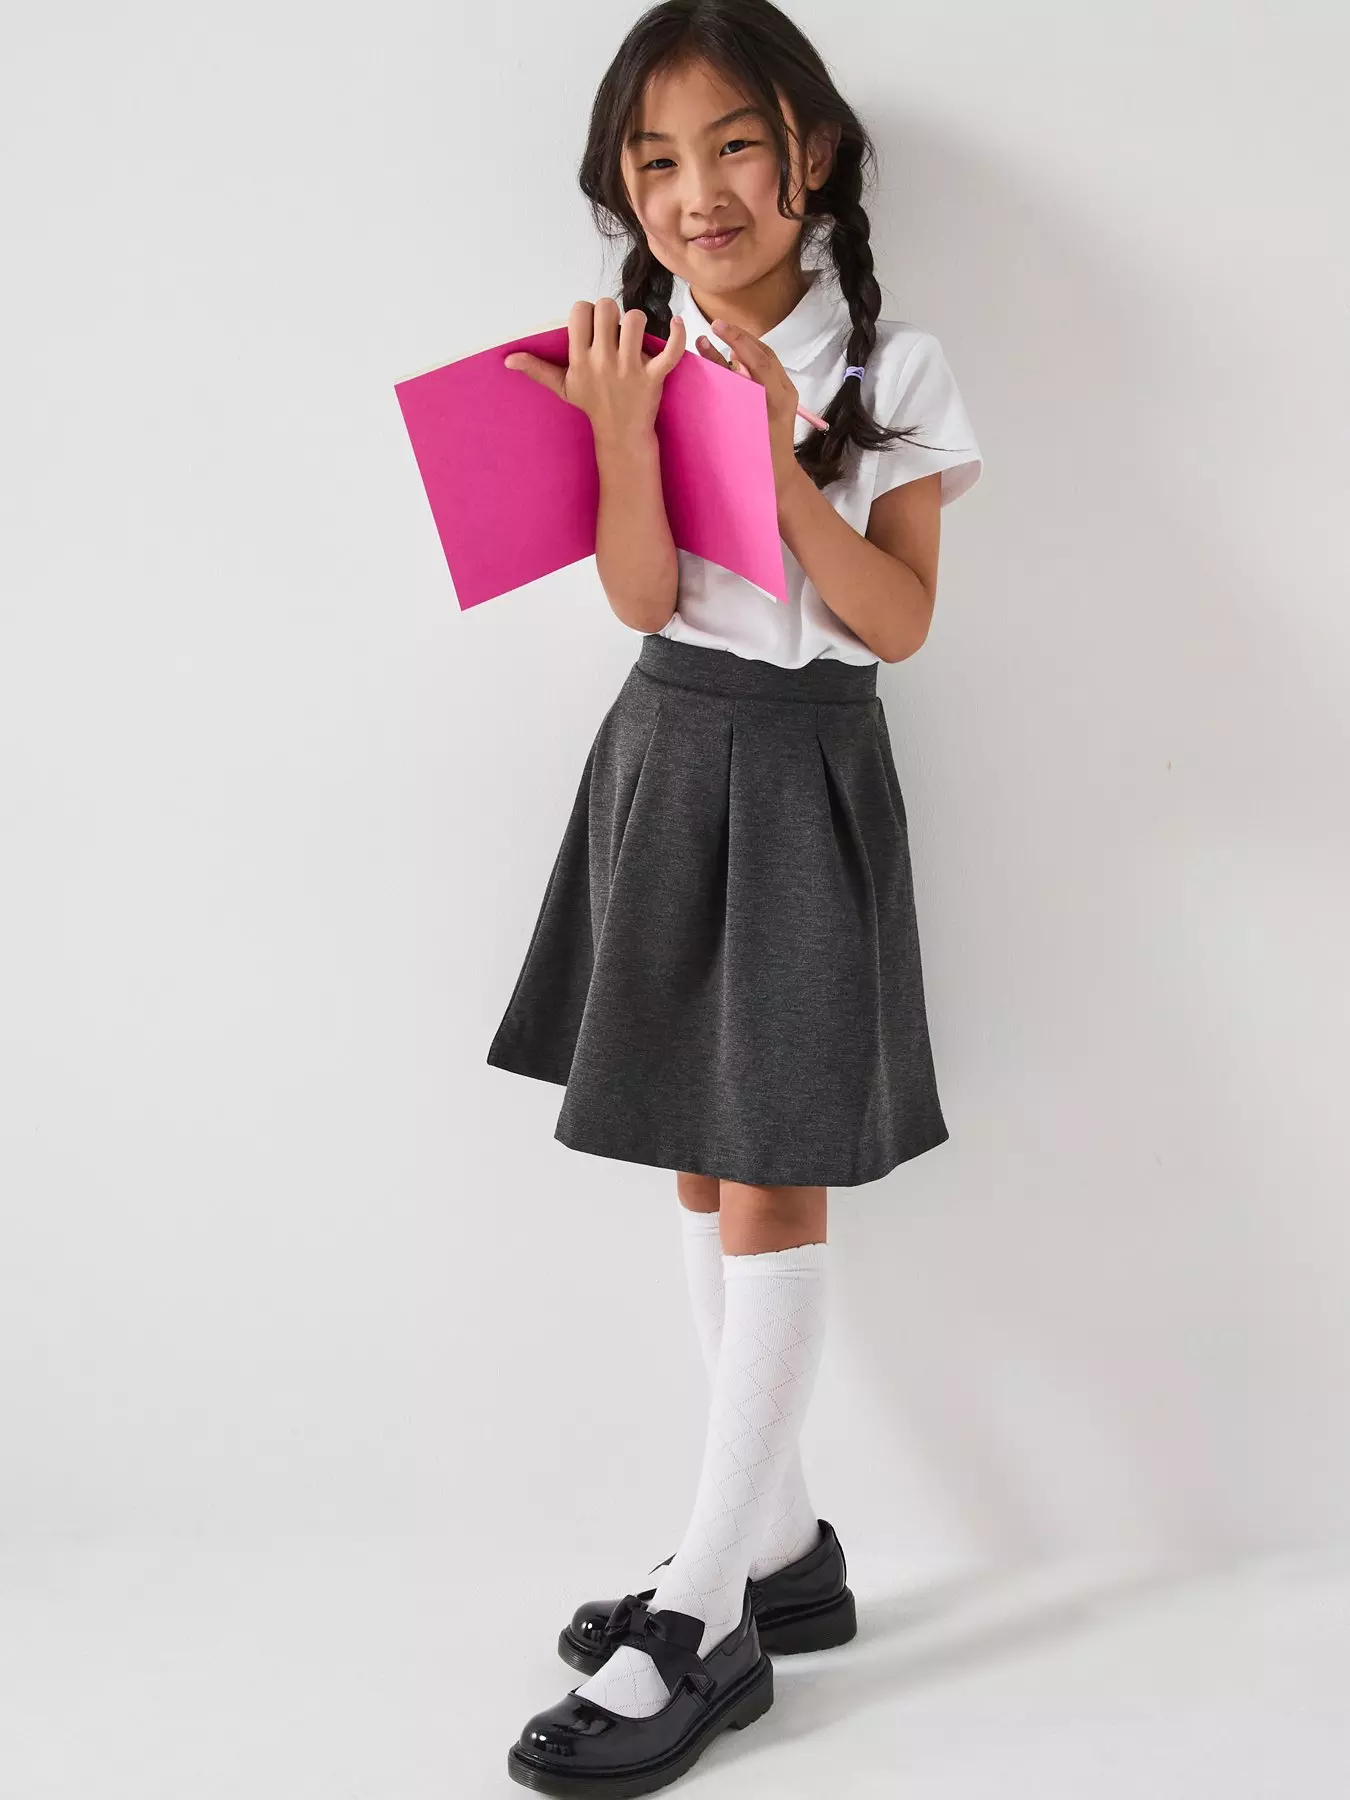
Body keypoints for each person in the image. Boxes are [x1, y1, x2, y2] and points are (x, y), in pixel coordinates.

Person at [487, 2, 982, 1791]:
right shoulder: (629, 347)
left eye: (734, 145)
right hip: (662, 745)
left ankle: (701, 1611)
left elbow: (896, 622)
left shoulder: (897, 365)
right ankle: (778, 1553)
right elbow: (639, 598)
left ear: (811, 156)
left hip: (799, 764)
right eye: (655, 160)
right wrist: (629, 433)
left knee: (771, 1159)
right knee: (700, 1156)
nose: (696, 190)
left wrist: (777, 463)